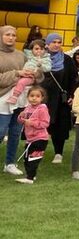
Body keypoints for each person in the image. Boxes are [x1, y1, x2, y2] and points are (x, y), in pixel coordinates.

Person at [0, 26, 44, 176]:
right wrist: (17, 73)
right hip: (3, 98)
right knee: (1, 131)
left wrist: (35, 73)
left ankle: (10, 163)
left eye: (13, 35)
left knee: (16, 132)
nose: (11, 37)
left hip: (22, 98)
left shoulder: (21, 55)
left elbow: (39, 77)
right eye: (7, 34)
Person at [40, 33, 78, 164]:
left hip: (61, 98)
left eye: (59, 42)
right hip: (43, 98)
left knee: (59, 127)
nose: (56, 45)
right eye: (53, 42)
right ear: (47, 44)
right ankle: (37, 150)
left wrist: (72, 95)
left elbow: (74, 79)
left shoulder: (67, 59)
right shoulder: (40, 58)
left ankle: (58, 153)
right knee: (41, 124)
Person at [14, 86, 50, 184]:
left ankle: (29, 178)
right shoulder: (27, 108)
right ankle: (31, 175)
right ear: (28, 97)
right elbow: (22, 121)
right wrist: (20, 117)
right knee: (26, 158)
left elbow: (45, 123)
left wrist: (32, 123)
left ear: (42, 98)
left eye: (37, 96)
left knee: (33, 158)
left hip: (40, 138)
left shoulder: (42, 109)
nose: (34, 98)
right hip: (30, 139)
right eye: (31, 96)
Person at [7, 39, 50, 106]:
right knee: (14, 81)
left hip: (31, 76)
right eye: (36, 49)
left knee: (22, 82)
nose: (39, 51)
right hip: (24, 73)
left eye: (41, 49)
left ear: (45, 50)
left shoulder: (45, 59)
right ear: (32, 50)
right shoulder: (28, 56)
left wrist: (40, 65)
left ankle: (15, 96)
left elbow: (48, 68)